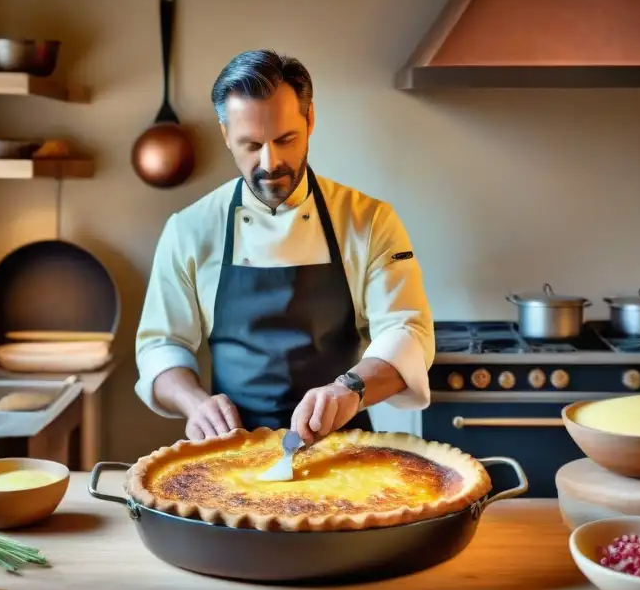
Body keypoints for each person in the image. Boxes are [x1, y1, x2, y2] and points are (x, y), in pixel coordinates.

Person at [134, 49, 434, 444]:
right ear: (226, 134)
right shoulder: (189, 229)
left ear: (309, 121)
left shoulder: (368, 221)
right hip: (232, 451)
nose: (270, 162)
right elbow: (162, 343)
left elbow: (406, 329)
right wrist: (194, 403)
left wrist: (350, 389)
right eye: (251, 145)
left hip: (345, 451)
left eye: (285, 139)